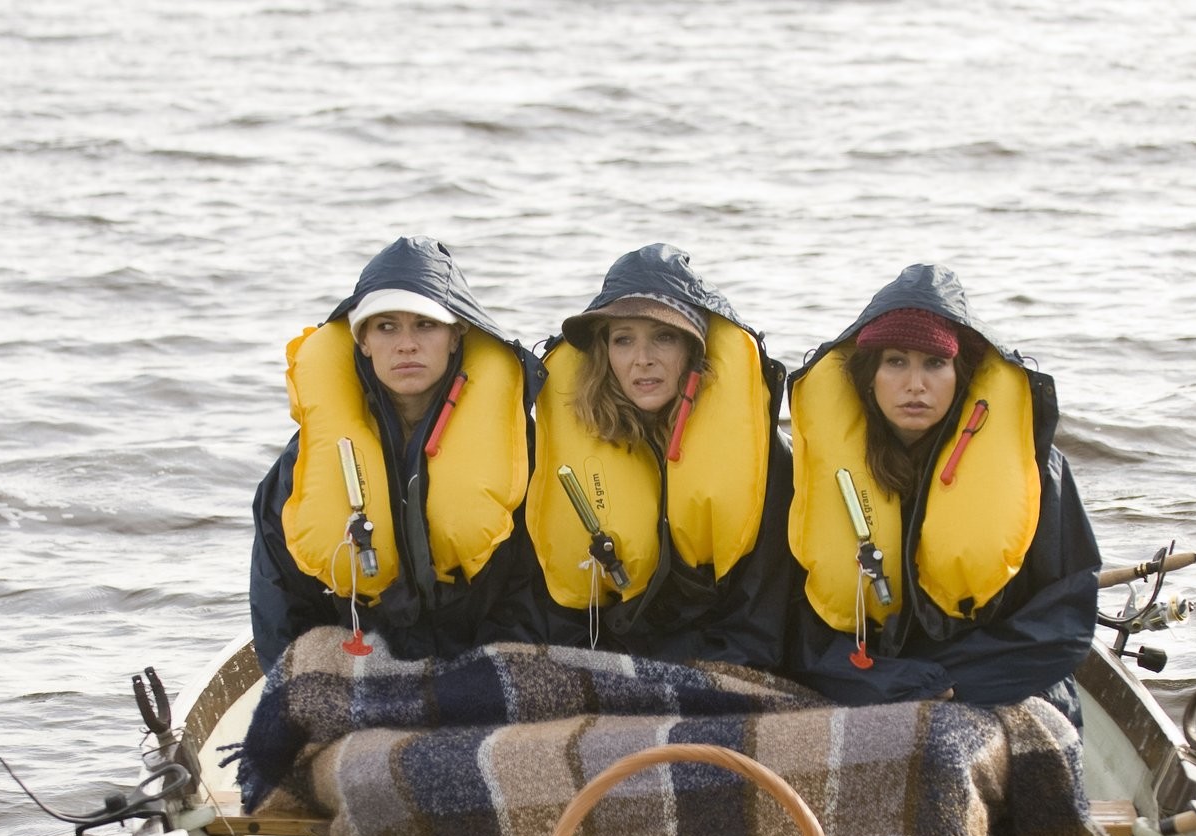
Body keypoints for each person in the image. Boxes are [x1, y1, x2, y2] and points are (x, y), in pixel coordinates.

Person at [785, 265, 1100, 721]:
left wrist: (944, 686)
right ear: (869, 375)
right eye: (896, 362)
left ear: (961, 374)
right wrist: (883, 683)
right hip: (871, 682)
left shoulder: (1036, 469)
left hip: (996, 683)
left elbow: (1063, 625)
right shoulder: (816, 469)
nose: (916, 384)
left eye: (935, 363)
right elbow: (797, 632)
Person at [248, 237, 543, 672]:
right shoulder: (306, 460)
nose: (406, 344)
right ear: (363, 340)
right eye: (386, 327)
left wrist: (481, 684)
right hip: (359, 670)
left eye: (425, 325)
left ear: (456, 335)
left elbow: (531, 592)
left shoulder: (518, 448)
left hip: (481, 670)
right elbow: (282, 598)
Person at [524, 244, 791, 670]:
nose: (643, 360)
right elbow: (555, 614)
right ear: (604, 352)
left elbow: (759, 616)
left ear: (693, 350)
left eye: (663, 337)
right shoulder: (557, 450)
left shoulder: (766, 458)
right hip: (607, 654)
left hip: (724, 654)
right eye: (623, 340)